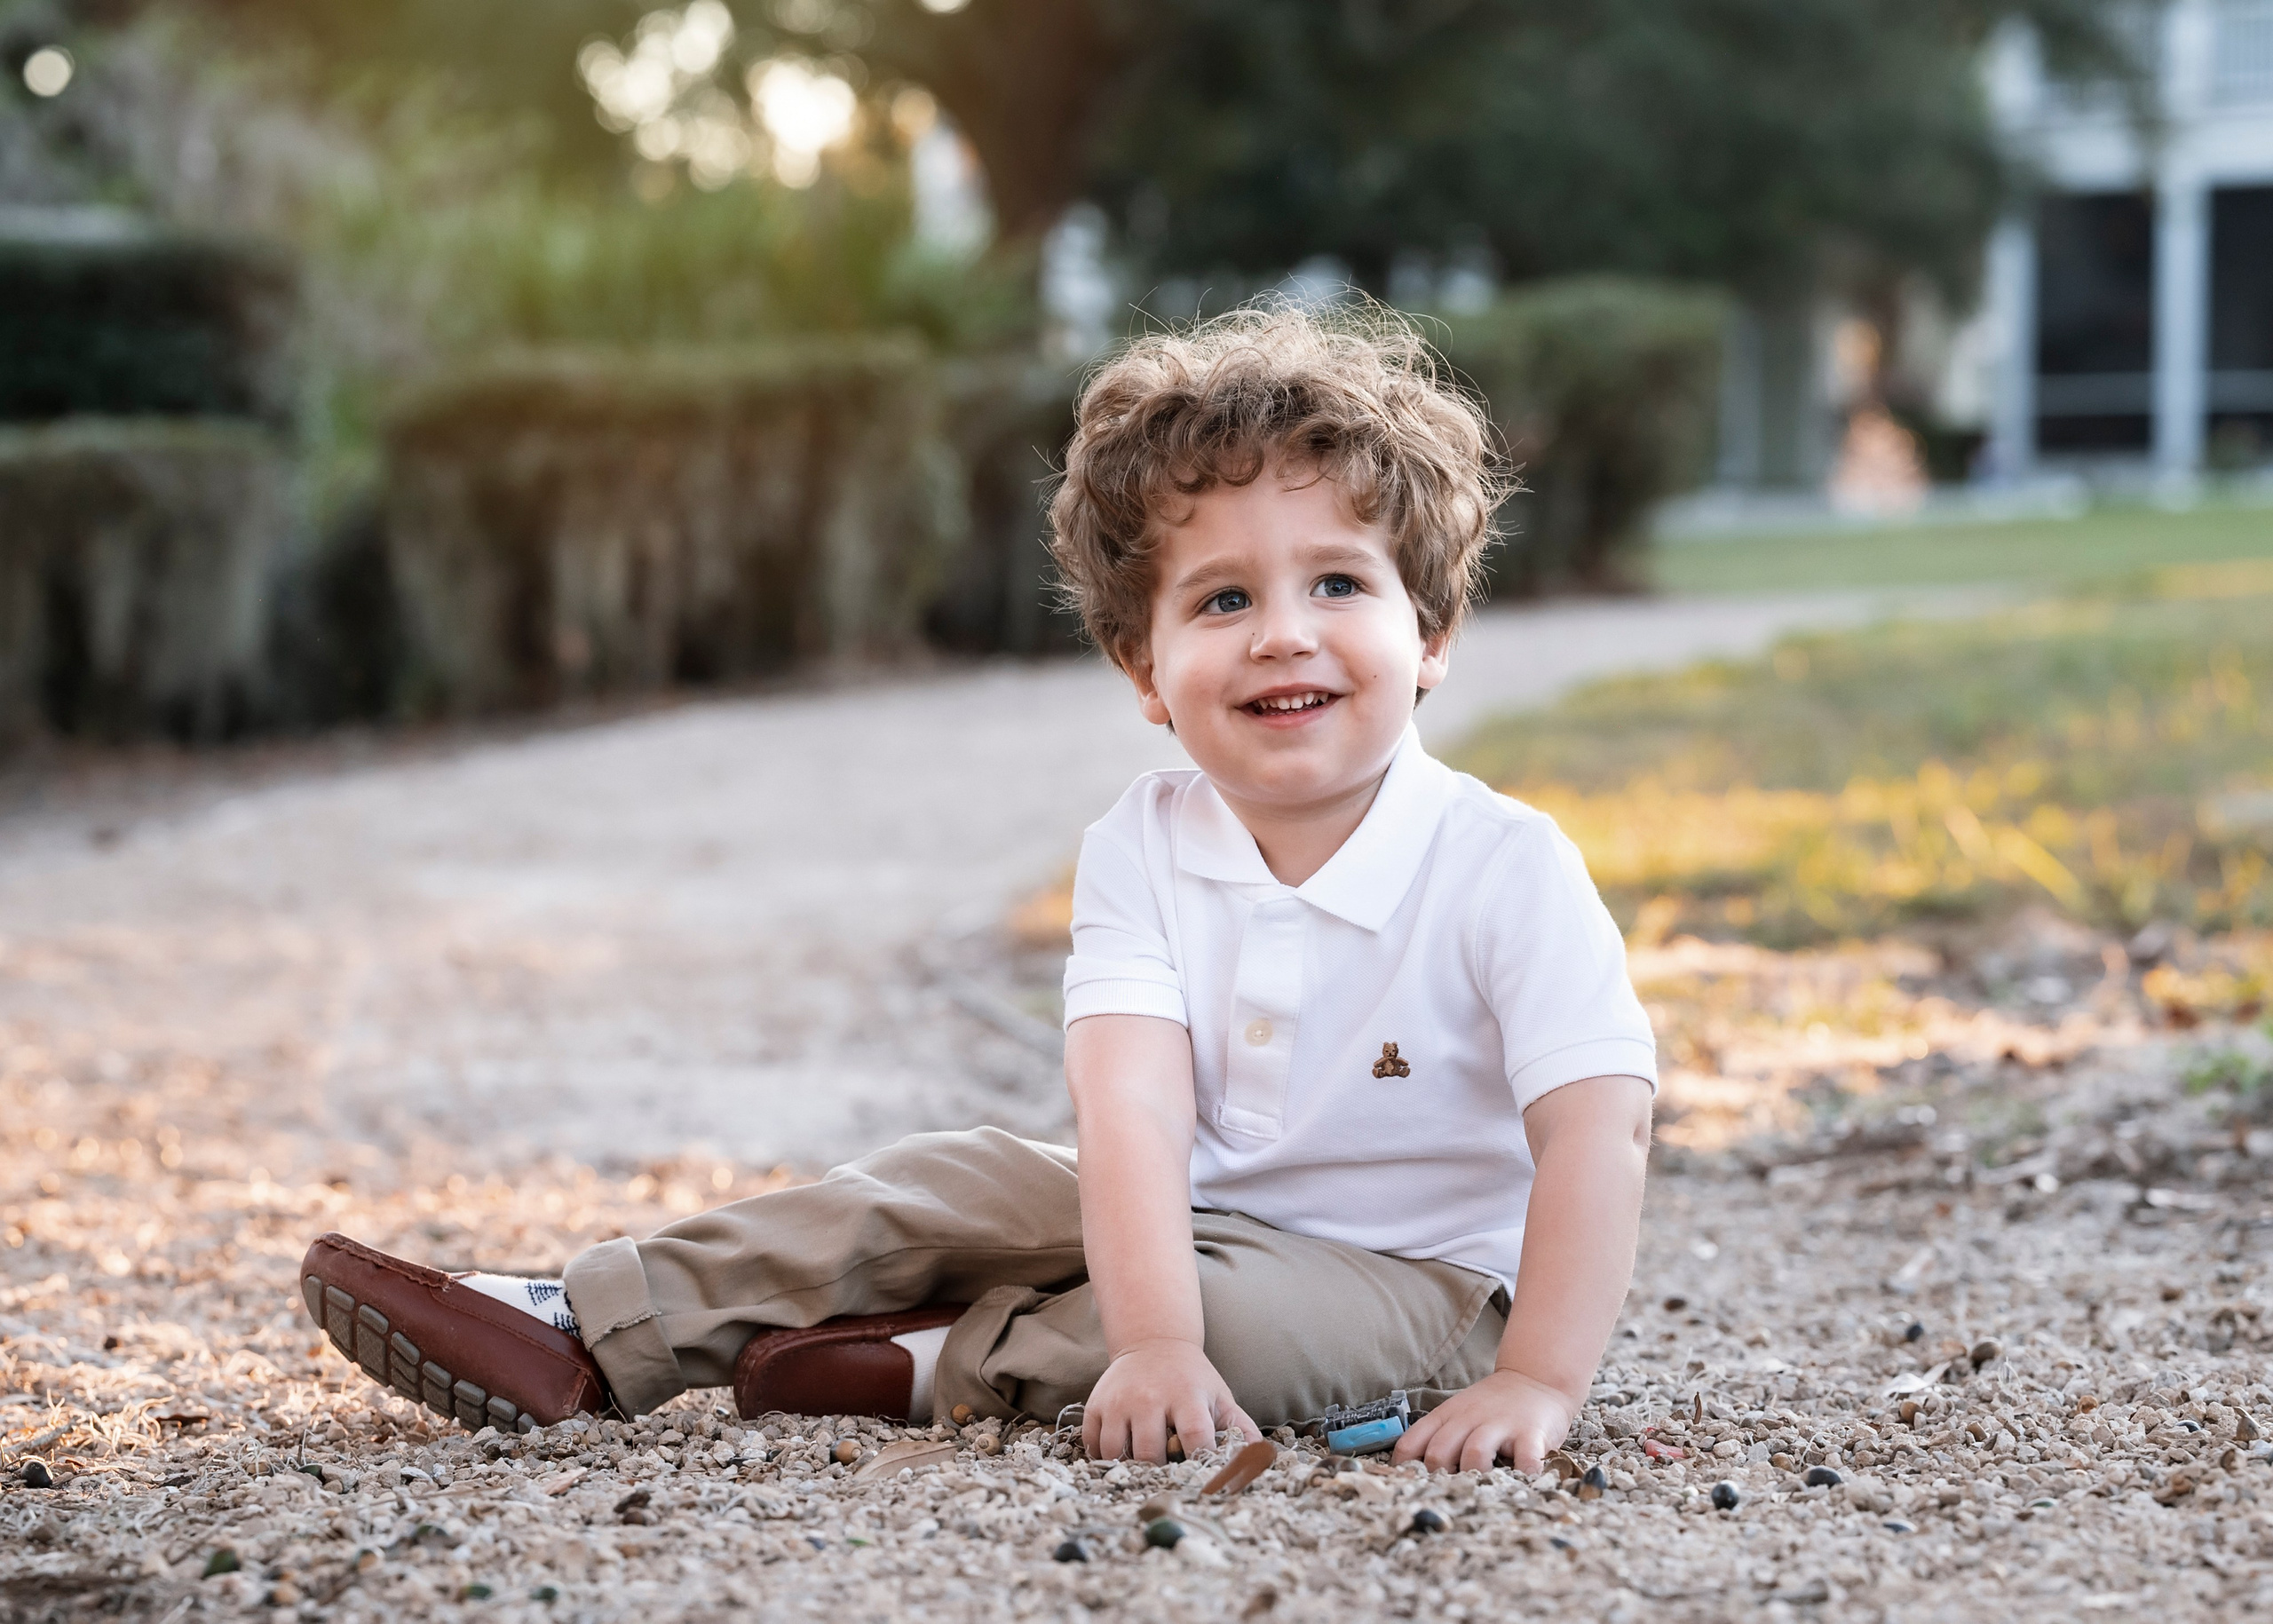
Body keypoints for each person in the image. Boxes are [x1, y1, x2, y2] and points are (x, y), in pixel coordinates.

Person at [297, 302, 1656, 1474]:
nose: (1283, 632)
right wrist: (1153, 1329)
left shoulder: (1502, 865)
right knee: (952, 1185)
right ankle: (592, 1323)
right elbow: (1127, 1112)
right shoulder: (1145, 841)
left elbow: (1597, 1134)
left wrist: (1535, 1377)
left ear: (1429, 635)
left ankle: (927, 1359)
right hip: (1197, 1216)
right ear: (1143, 669)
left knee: (1232, 1327)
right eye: (1223, 600)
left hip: (1424, 1289)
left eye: (1338, 582)